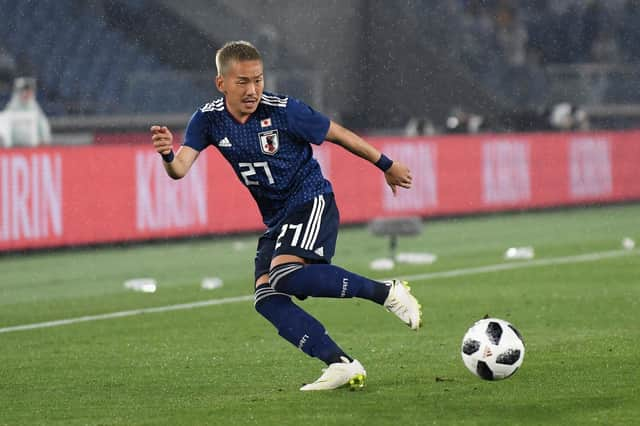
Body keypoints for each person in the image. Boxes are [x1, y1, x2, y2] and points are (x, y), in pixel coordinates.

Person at [150, 41, 422, 391]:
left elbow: (336, 134)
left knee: (285, 274)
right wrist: (167, 154)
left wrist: (386, 164)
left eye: (258, 81)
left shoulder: (284, 111)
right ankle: (339, 363)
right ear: (221, 84)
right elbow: (180, 169)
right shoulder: (207, 119)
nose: (252, 90)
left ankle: (386, 292)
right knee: (267, 298)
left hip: (311, 200)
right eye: (242, 82)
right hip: (278, 219)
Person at [1, 77, 51, 147]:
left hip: (32, 151)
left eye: (29, 91)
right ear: (17, 92)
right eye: (23, 91)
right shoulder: (9, 112)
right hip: (14, 151)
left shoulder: (36, 112)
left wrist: (44, 143)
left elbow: (45, 134)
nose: (26, 94)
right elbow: (4, 134)